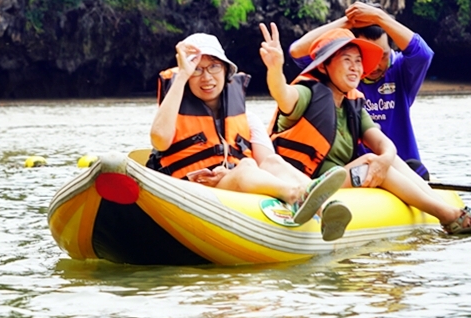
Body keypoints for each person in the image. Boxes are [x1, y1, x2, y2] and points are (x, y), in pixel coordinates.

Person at [261, 23, 471, 236]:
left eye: (358, 61)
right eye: (347, 60)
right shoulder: (307, 93)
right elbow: (283, 94)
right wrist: (275, 70)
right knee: (370, 162)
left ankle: (452, 211)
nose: (356, 68)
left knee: (387, 159)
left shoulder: (353, 102)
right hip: (308, 182)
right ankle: (449, 218)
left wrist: (385, 159)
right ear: (324, 67)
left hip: (339, 179)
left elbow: (383, 143)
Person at [148, 33, 346, 228]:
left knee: (272, 161)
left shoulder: (248, 119)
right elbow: (159, 140)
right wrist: (182, 75)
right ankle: (296, 195)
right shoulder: (171, 113)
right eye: (197, 70)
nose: (206, 77)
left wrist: (225, 173)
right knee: (247, 165)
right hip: (190, 194)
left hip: (232, 190)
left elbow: (268, 164)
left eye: (214, 67)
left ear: (226, 71)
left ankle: (323, 206)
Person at [289, 2, 432, 177]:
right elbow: (297, 51)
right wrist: (348, 22)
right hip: (357, 171)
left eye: (384, 55)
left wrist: (380, 17)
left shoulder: (401, 71)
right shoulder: (345, 78)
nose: (377, 64)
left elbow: (423, 54)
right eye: (368, 56)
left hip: (403, 168)